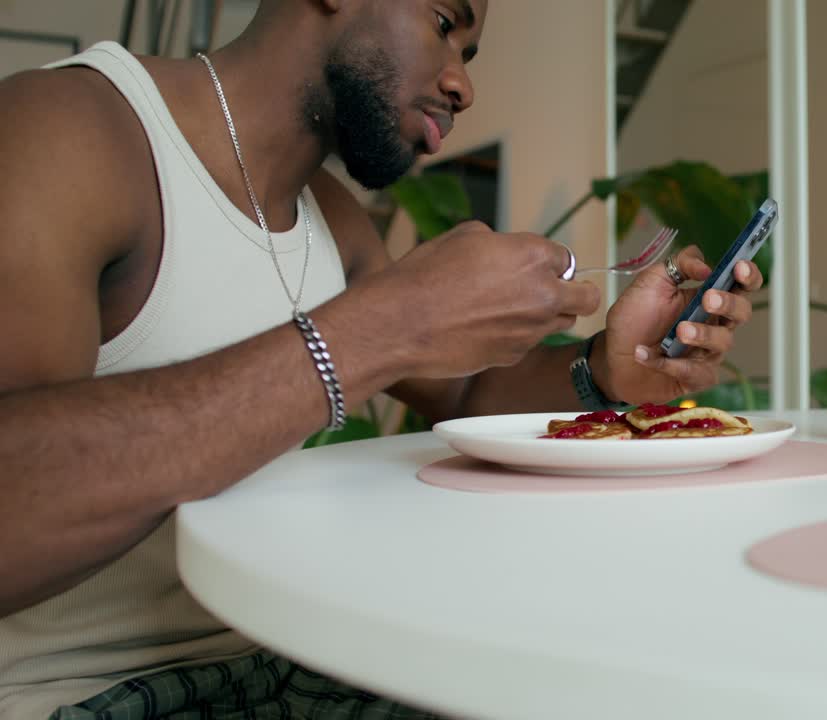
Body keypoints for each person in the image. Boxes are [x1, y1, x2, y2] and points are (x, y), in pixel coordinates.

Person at [0, 1, 763, 717]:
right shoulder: (70, 129)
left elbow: (463, 392)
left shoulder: (327, 215)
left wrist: (606, 368)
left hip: (282, 658)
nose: (463, 82)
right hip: (79, 690)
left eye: (468, 52)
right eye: (442, 23)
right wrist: (377, 329)